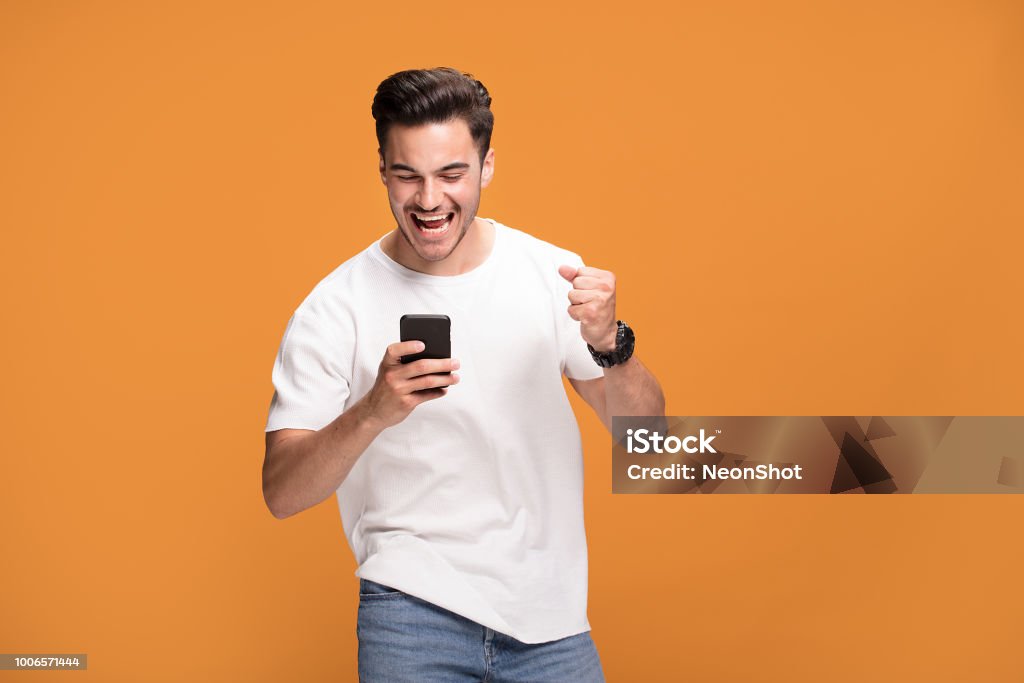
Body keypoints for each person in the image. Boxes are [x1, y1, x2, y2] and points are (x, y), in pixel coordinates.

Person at [262, 66, 665, 683]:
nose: (429, 201)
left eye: (451, 174)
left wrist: (611, 343)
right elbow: (282, 493)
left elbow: (650, 444)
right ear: (382, 170)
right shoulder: (334, 305)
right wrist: (374, 409)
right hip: (410, 617)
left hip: (549, 619)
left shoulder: (550, 275)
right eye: (407, 176)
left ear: (487, 166)